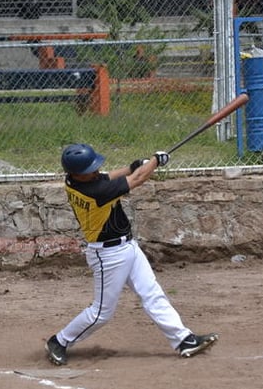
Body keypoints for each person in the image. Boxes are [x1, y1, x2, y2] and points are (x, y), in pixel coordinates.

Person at [45, 143, 219, 365]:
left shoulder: (75, 180)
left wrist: (133, 166)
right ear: (79, 174)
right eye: (91, 169)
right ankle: (59, 341)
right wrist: (156, 161)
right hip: (108, 255)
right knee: (101, 313)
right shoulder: (95, 193)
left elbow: (109, 176)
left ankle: (183, 339)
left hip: (128, 247)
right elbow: (136, 180)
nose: (96, 171)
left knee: (151, 293)